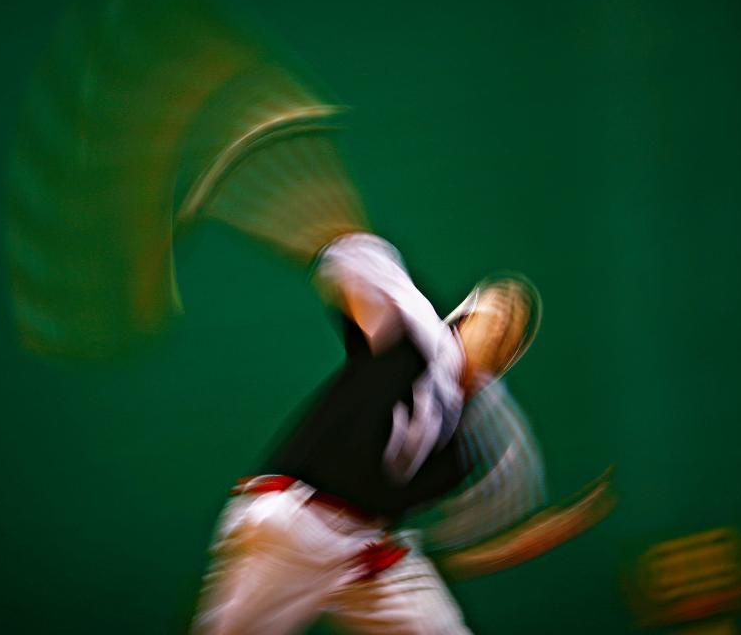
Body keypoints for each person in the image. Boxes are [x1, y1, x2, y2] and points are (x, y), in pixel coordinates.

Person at [190, 231, 545, 634]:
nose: (503, 326)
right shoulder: (413, 334)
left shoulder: (477, 435)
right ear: (465, 318)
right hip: (294, 528)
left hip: (366, 553)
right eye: (495, 313)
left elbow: (476, 527)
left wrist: (512, 544)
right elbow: (361, 264)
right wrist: (344, 244)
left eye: (513, 329)